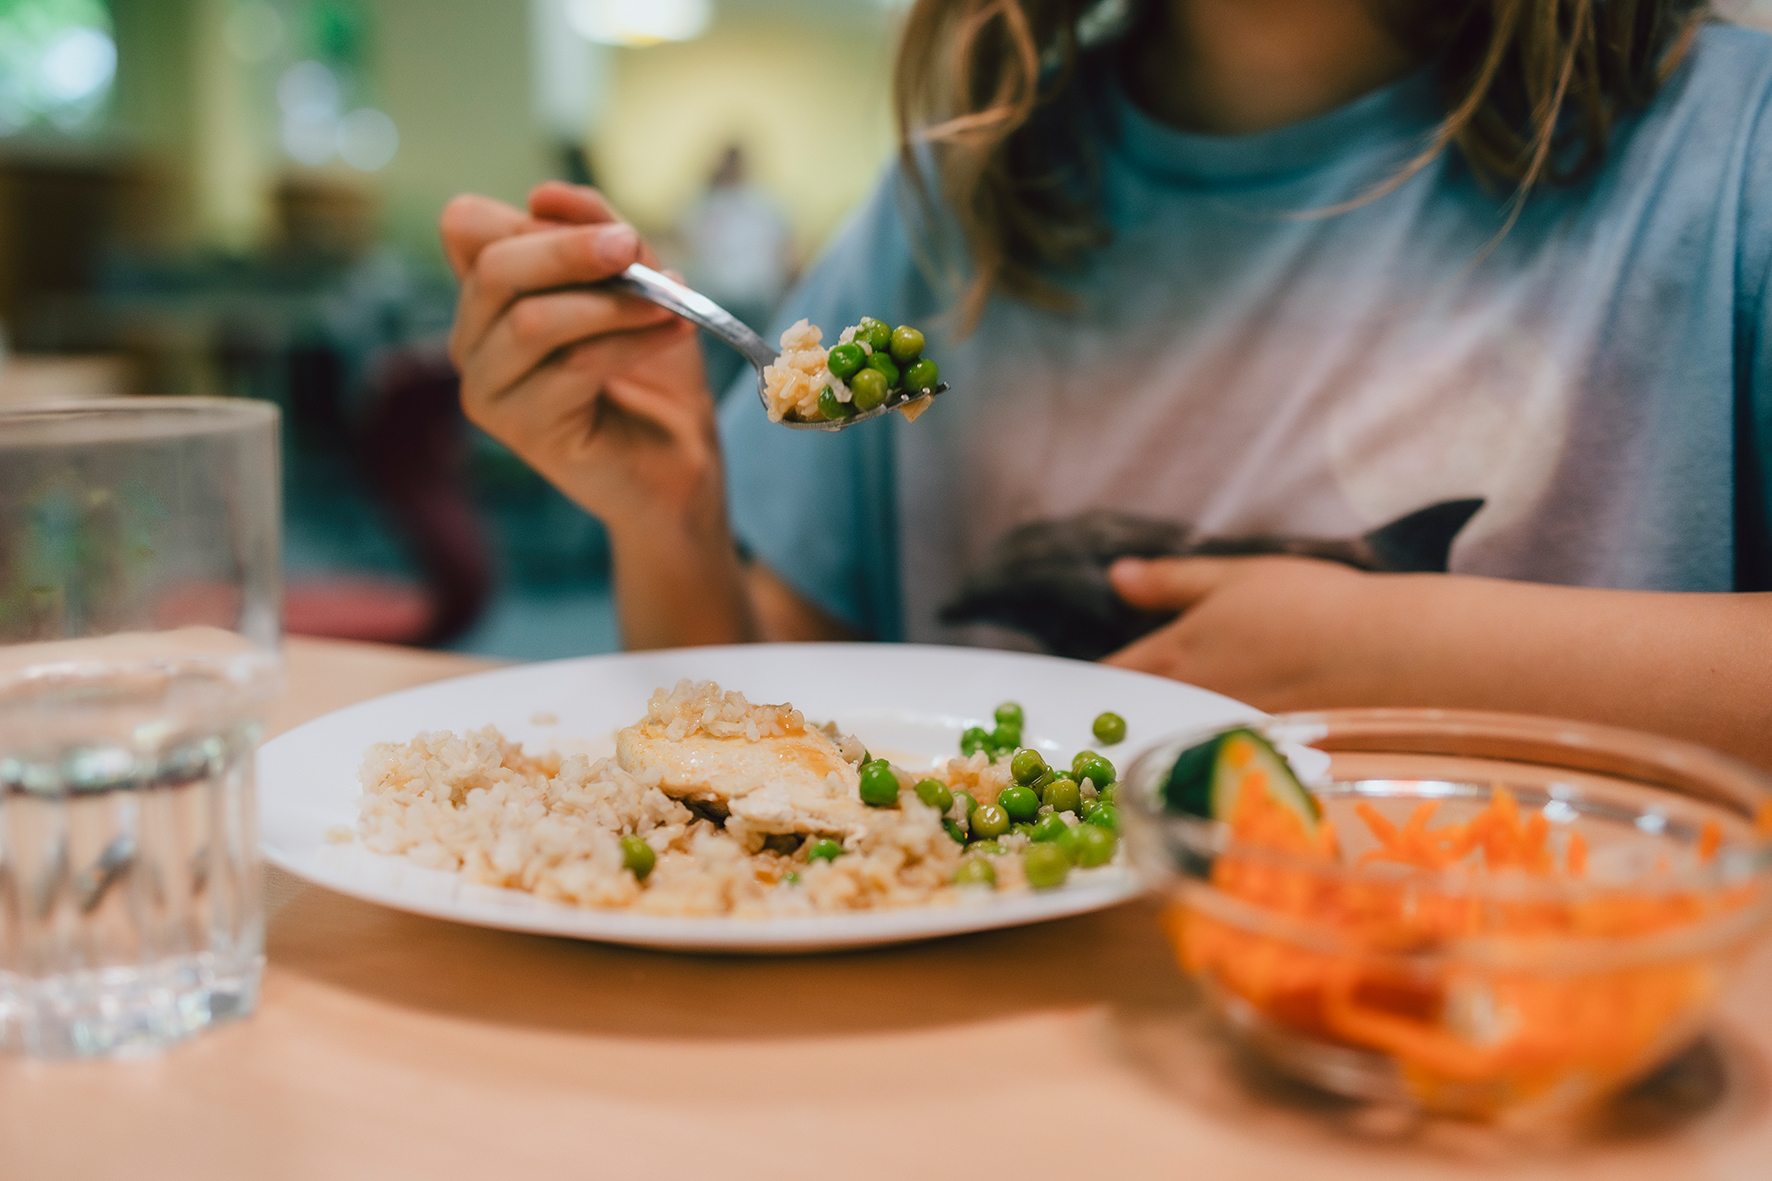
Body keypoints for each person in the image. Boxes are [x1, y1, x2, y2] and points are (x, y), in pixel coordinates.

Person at [439, 0, 1772, 769]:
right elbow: (747, 742)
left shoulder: (1729, 158)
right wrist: (665, 511)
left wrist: (1395, 658)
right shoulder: (946, 208)